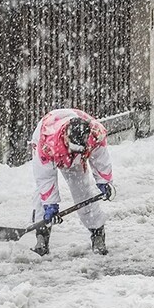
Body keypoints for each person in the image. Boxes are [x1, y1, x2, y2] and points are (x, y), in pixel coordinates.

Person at [30, 108, 115, 256]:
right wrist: (50, 204)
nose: (75, 153)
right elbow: (45, 177)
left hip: (74, 155)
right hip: (52, 149)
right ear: (66, 137)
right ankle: (42, 235)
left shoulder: (94, 134)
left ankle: (97, 232)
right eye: (73, 149)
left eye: (79, 150)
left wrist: (104, 181)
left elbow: (100, 157)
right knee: (43, 196)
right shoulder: (46, 142)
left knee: (83, 191)